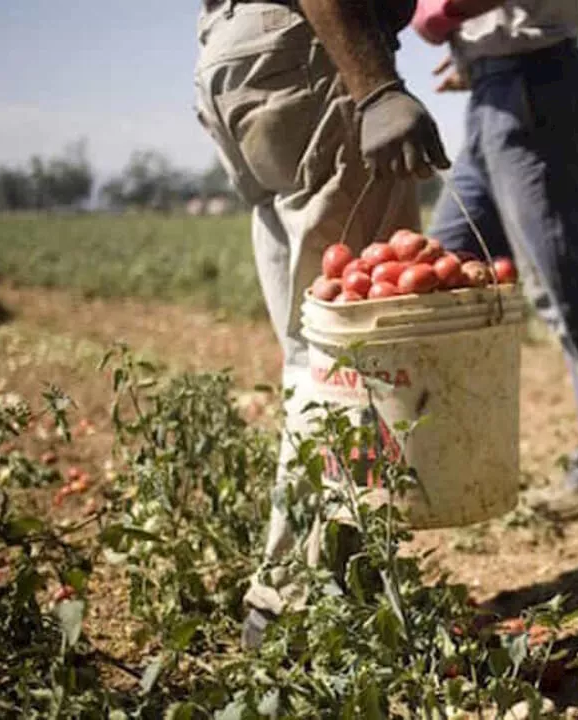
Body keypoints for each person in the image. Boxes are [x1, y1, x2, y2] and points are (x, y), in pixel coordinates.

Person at [192, 0, 451, 648]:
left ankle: (334, 587)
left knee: (316, 352)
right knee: (355, 352)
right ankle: (295, 606)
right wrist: (377, 87)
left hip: (238, 57)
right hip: (313, 52)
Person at [411, 0, 578, 521]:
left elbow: (440, 11)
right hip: (494, 90)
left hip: (534, 85)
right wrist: (474, 50)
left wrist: (438, 14)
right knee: (440, 271)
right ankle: (450, 461)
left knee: (563, 284)